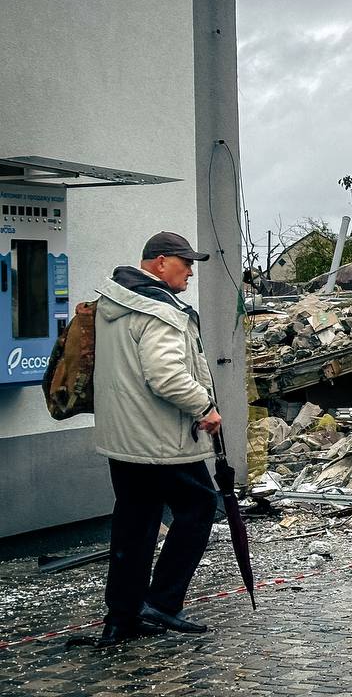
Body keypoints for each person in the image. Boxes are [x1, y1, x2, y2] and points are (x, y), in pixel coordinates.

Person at [91, 232, 221, 647]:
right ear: (160, 263)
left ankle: (122, 617)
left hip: (124, 438)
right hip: (162, 441)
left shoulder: (111, 304)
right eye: (185, 264)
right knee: (200, 507)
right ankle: (162, 602)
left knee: (135, 521)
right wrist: (205, 407)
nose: (190, 273)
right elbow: (165, 375)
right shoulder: (160, 311)